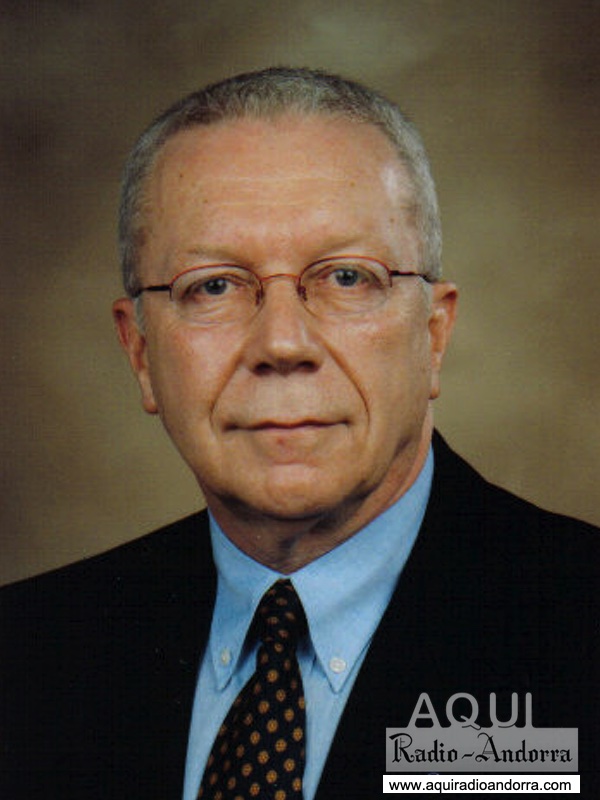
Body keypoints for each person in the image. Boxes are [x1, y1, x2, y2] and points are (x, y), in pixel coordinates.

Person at [1, 67, 597, 799]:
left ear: (433, 334)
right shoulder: (28, 652)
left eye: (346, 278)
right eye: (213, 285)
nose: (282, 343)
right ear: (141, 353)